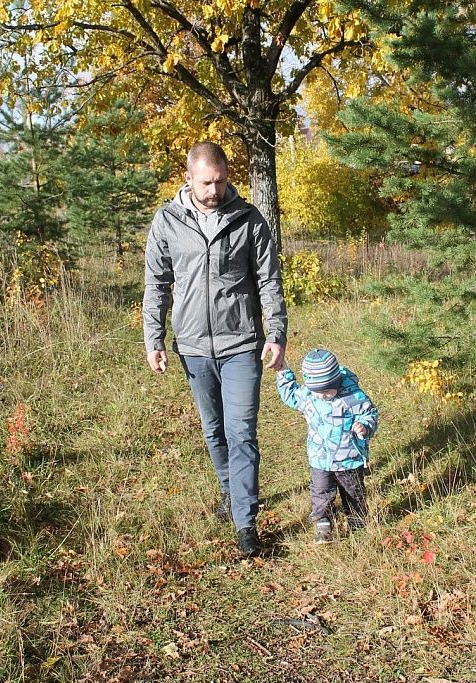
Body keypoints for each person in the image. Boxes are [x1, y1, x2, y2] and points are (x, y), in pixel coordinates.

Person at [142, 141, 287, 558]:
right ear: (188, 177)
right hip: (192, 345)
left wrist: (275, 333)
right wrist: (153, 338)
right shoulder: (167, 221)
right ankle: (229, 491)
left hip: (241, 341)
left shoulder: (248, 219)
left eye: (221, 181)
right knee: (214, 431)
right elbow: (157, 284)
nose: (214, 190)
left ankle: (245, 522)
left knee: (241, 432)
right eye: (206, 182)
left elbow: (269, 281)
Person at [276, 348, 378, 544]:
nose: (323, 396)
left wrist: (364, 426)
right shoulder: (309, 395)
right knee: (320, 492)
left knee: (353, 492)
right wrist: (282, 371)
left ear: (337, 381)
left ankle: (358, 523)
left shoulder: (352, 396)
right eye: (318, 392)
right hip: (320, 458)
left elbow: (369, 413)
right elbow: (291, 395)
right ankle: (323, 525)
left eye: (327, 391)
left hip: (348, 458)